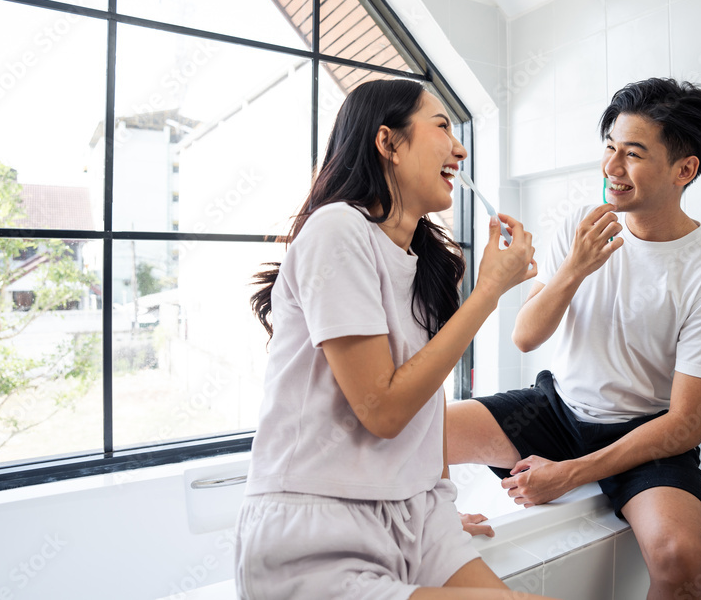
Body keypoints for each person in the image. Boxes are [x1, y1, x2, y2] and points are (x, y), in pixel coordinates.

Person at [235, 78, 550, 600]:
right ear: (388, 143)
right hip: (316, 532)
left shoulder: (430, 267)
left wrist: (436, 506)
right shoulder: (336, 230)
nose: (460, 147)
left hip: (414, 517)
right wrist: (490, 289)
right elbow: (382, 409)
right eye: (443, 126)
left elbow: (428, 403)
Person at [448, 78, 701, 599]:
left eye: (633, 154)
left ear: (684, 169)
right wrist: (573, 269)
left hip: (643, 439)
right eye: (609, 148)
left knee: (683, 560)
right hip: (556, 411)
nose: (611, 167)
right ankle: (420, 530)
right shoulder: (580, 228)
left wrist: (570, 474)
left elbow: (687, 424)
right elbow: (525, 337)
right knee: (419, 432)